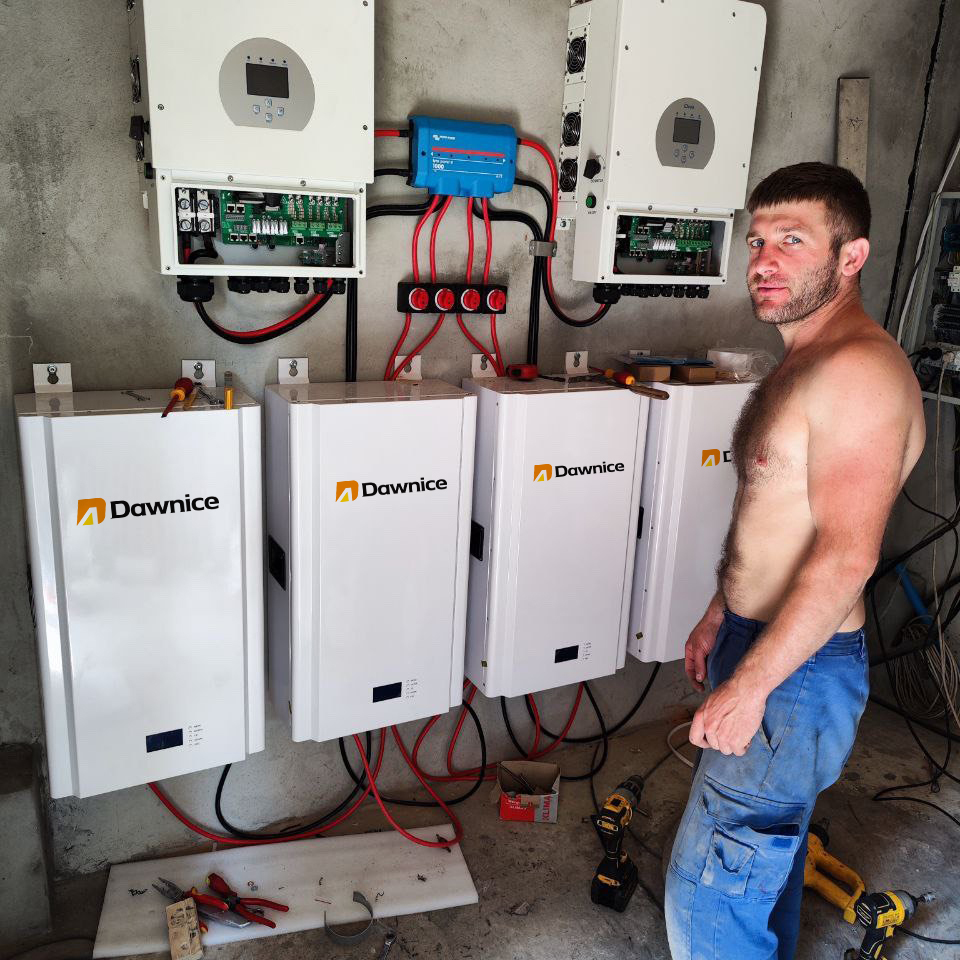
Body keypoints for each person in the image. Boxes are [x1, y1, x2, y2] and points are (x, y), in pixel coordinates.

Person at [663, 162, 925, 960]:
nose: (765, 261)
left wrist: (751, 686)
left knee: (713, 887)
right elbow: (776, 518)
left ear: (851, 257)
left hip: (797, 668)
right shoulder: (807, 359)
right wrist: (722, 613)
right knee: (756, 864)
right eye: (757, 242)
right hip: (769, 641)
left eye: (792, 240)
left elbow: (845, 556)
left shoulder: (857, 373)